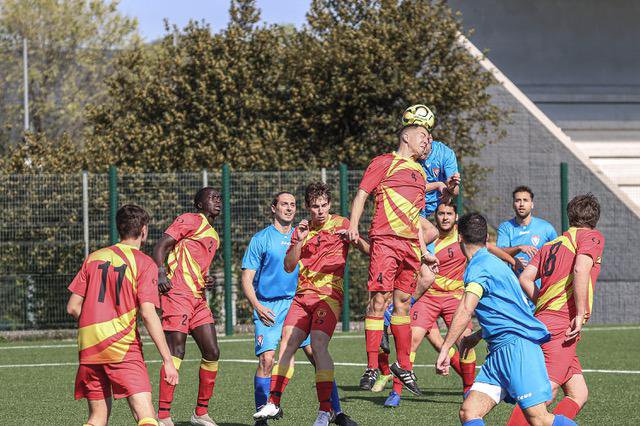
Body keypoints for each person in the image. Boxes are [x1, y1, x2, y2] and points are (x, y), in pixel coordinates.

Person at [435, 212, 576, 426]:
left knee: (539, 419)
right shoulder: (496, 264)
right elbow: (506, 310)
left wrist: (445, 348)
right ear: (486, 239)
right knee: (469, 411)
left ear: (459, 237)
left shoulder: (479, 267)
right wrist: (477, 335)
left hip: (517, 349)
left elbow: (466, 307)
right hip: (499, 352)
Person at [254, 182, 368, 426]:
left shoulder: (342, 224)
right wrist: (299, 241)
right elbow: (288, 265)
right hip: (301, 297)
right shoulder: (301, 230)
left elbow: (368, 250)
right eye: (315, 206)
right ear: (308, 207)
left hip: (328, 297)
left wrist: (355, 238)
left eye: (324, 205)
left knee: (317, 346)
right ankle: (273, 402)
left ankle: (325, 410)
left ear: (330, 205)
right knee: (286, 345)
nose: (320, 211)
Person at [384, 203, 517, 406]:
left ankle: (468, 389)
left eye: (449, 213)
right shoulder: (427, 237)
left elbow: (489, 248)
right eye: (441, 213)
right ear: (435, 216)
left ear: (455, 217)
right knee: (411, 340)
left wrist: (514, 263)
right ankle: (396, 392)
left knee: (464, 341)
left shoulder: (463, 237)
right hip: (429, 296)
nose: (445, 217)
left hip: (455, 296)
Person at [67, 204, 179, 426]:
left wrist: (96, 323)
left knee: (97, 418)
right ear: (144, 230)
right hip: (121, 345)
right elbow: (148, 314)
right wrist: (167, 360)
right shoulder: (144, 263)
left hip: (89, 345)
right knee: (146, 415)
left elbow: (72, 307)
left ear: (119, 229)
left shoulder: (94, 258)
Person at [349, 105, 432, 395]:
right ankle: (372, 367)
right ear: (406, 136)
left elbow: (415, 220)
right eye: (423, 135)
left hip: (410, 246)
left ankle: (405, 367)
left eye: (430, 137)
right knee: (378, 301)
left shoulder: (420, 174)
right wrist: (353, 225)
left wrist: (424, 250)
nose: (427, 141)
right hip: (385, 241)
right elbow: (362, 194)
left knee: (403, 305)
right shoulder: (385, 162)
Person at [507, 194, 604, 425]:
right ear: (595, 218)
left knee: (578, 393)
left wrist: (543, 302)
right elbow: (581, 269)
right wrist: (579, 314)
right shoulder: (591, 236)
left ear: (570, 216)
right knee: (542, 394)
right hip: (562, 324)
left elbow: (525, 279)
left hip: (543, 319)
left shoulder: (551, 244)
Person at [153, 187, 222, 426]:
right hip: (177, 295)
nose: (217, 201)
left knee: (212, 352)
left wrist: (207, 278)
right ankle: (163, 416)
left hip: (198, 298)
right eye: (212, 197)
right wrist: (161, 272)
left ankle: (200, 413)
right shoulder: (190, 219)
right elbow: (161, 246)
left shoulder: (213, 234)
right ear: (199, 203)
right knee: (176, 352)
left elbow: (195, 265)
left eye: (219, 198)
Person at [497, 186, 557, 275]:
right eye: (517, 200)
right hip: (515, 285)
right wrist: (518, 249)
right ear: (513, 204)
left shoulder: (546, 228)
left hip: (541, 285)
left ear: (532, 204)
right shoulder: (505, 228)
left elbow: (557, 253)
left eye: (525, 200)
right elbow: (499, 252)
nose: (521, 204)